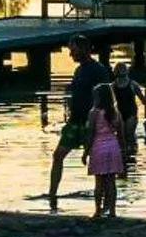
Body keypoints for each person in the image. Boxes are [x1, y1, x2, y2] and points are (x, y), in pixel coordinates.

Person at [47, 37, 111, 210]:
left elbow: (106, 97)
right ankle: (52, 195)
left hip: (91, 123)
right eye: (70, 50)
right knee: (58, 155)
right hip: (75, 121)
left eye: (73, 50)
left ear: (84, 49)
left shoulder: (98, 70)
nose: (70, 54)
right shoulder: (79, 70)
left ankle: (104, 201)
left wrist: (105, 123)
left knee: (98, 164)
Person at [85, 78, 125, 218]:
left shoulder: (94, 113)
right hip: (113, 147)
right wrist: (123, 152)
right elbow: (121, 134)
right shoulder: (116, 113)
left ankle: (97, 210)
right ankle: (112, 211)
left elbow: (90, 134)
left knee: (99, 182)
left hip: (98, 147)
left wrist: (85, 152)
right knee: (111, 182)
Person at [112, 61, 146, 156]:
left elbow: (142, 98)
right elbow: (109, 102)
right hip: (119, 113)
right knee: (120, 136)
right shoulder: (113, 85)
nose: (120, 72)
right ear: (116, 72)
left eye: (122, 70)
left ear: (126, 71)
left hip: (131, 113)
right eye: (118, 70)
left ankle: (132, 153)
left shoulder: (132, 84)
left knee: (129, 134)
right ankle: (124, 153)